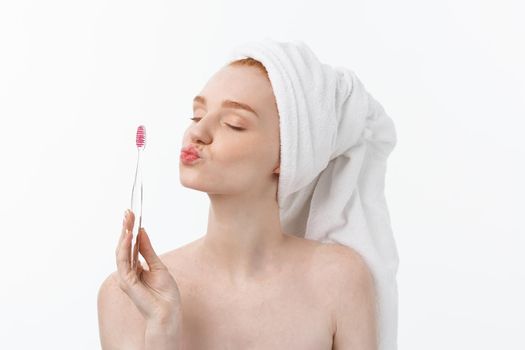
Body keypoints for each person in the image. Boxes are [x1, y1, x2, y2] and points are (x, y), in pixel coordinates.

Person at [97, 57, 378, 349]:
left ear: (287, 155)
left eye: (234, 124)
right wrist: (162, 330)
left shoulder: (339, 280)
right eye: (196, 116)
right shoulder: (129, 297)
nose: (197, 132)